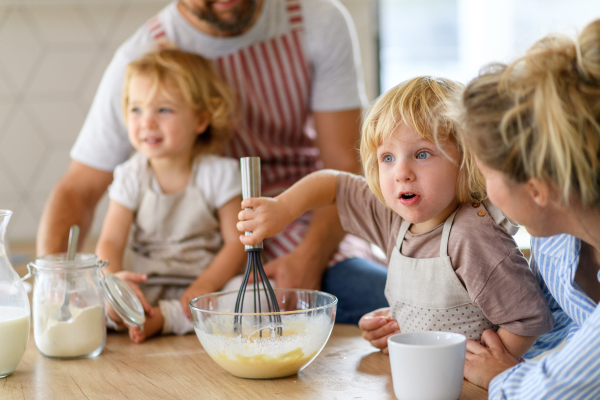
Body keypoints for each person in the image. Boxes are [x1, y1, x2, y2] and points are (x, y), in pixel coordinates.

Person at [37, 0, 388, 325]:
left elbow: (344, 165)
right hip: (228, 237)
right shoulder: (142, 58)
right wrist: (52, 295)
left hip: (308, 215)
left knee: (390, 295)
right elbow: (78, 190)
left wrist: (309, 257)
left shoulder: (315, 19)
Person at [237, 76, 554, 357]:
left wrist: (491, 370)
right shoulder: (394, 218)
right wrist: (394, 325)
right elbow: (334, 184)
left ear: (466, 158)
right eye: (387, 157)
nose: (401, 173)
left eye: (422, 154)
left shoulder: (472, 236)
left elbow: (527, 319)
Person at [456, 19, 600, 399]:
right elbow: (545, 330)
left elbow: (553, 390)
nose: (484, 192)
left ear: (536, 188)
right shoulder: (555, 244)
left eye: (487, 174)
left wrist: (504, 378)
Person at [96, 49, 246, 343]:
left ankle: (167, 318)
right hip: (143, 286)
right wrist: (114, 282)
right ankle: (138, 314)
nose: (147, 122)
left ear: (200, 120)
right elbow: (110, 241)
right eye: (136, 109)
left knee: (254, 295)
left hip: (201, 289)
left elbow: (236, 242)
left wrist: (206, 284)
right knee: (96, 299)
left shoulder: (220, 174)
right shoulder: (130, 175)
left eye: (163, 110)